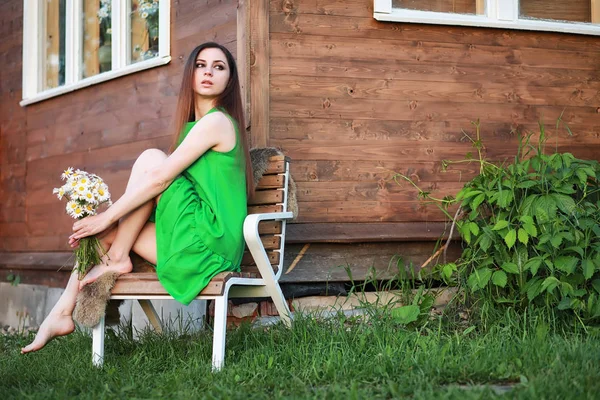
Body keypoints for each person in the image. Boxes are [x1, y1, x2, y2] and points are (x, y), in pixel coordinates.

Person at [21, 42, 254, 354]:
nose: (209, 71)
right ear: (190, 74)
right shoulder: (192, 129)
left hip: (212, 242)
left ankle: (117, 259)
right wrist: (105, 225)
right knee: (107, 236)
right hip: (199, 243)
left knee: (150, 161)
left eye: (219, 66)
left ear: (229, 80)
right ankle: (61, 313)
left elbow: (159, 179)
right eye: (201, 65)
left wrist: (106, 214)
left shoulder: (218, 121)